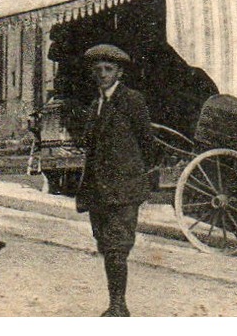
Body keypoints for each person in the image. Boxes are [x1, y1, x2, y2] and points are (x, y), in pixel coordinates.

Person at [75, 43, 157, 317]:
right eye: (97, 69)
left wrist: (132, 174)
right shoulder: (94, 104)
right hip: (98, 190)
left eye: (108, 69)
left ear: (119, 72)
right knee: (105, 246)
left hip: (123, 190)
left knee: (117, 248)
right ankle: (115, 304)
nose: (102, 74)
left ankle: (118, 306)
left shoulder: (132, 100)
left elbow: (148, 143)